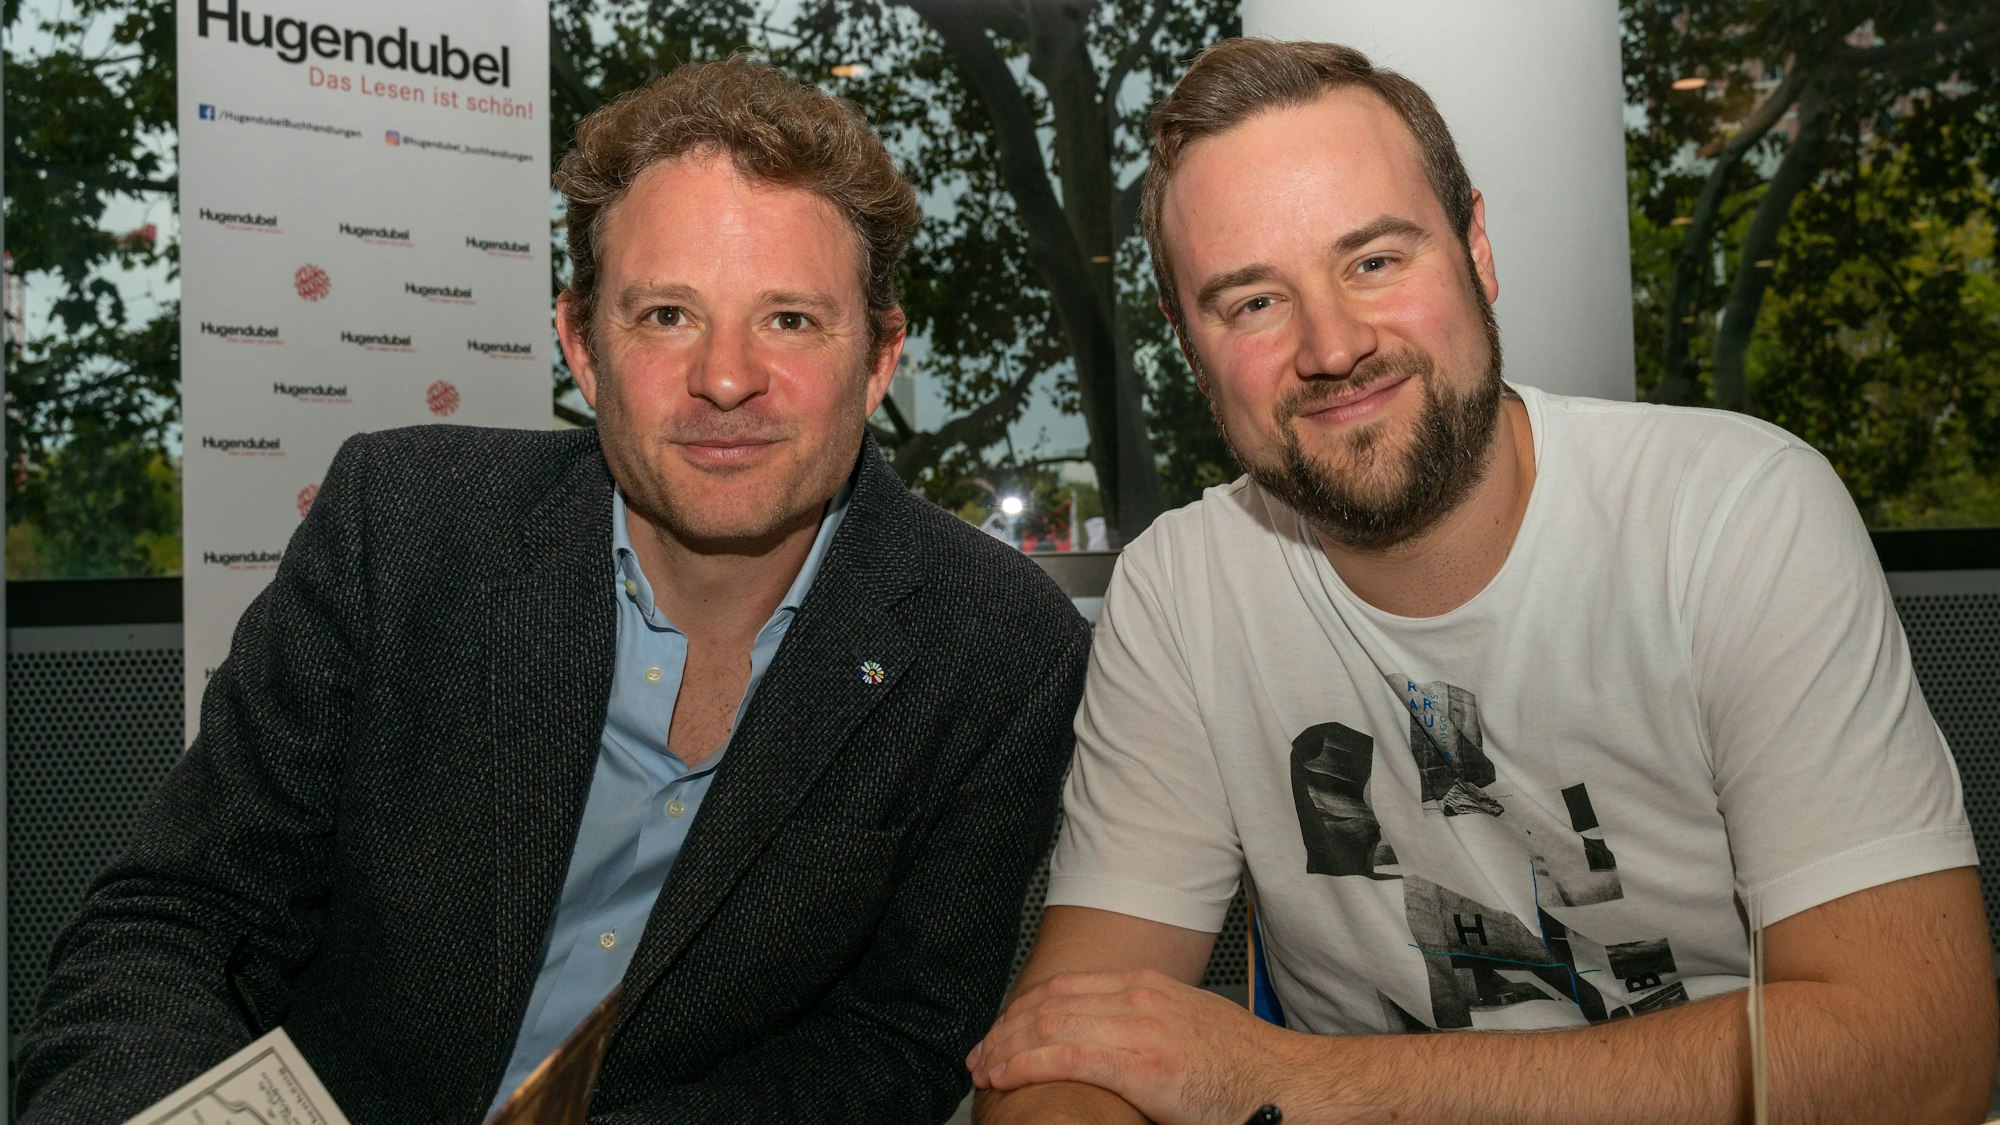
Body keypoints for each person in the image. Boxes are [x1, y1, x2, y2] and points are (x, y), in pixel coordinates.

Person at [19, 57, 1090, 1124]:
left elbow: (894, 1040)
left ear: (877, 358)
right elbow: (175, 921)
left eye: (791, 321)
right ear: (581, 346)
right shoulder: (401, 527)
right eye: (666, 315)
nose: (724, 378)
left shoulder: (994, 645)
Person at [970, 38, 1995, 1125]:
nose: (1330, 345)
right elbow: (1061, 1057)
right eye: (1251, 303)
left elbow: (1920, 1058)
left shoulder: (1735, 516)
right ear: (1188, 346)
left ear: (1475, 248)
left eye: (1373, 260)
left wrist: (1301, 1083)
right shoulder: (1180, 592)